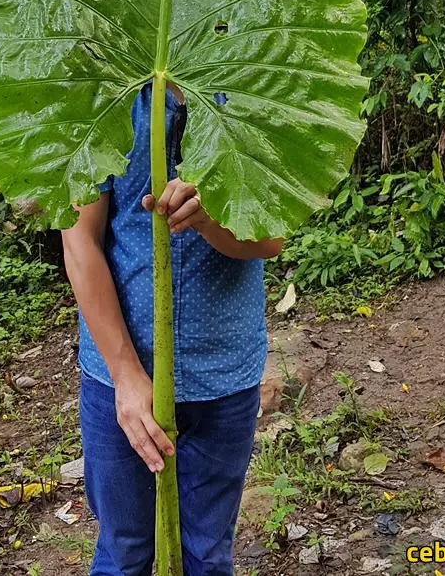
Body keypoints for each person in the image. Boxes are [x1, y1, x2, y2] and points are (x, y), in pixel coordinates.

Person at [61, 82, 282, 576]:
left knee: (206, 555)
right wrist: (125, 376)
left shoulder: (249, 88)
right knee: (124, 555)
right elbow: (80, 244)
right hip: (119, 375)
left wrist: (213, 216)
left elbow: (270, 239)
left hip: (222, 371)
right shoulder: (104, 90)